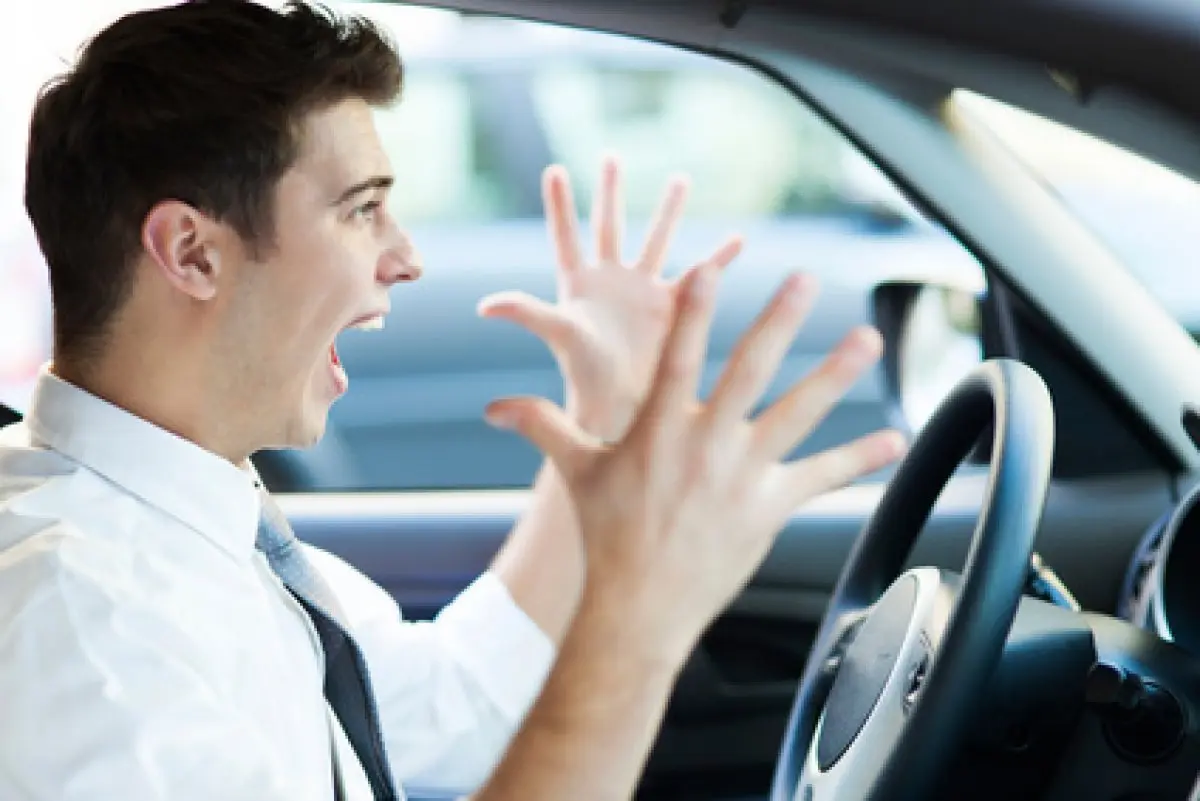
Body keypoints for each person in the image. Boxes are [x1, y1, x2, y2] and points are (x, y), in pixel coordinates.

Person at [0, 1, 905, 800]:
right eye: (361, 209)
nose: (406, 257)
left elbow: (451, 706)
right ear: (193, 253)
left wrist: (600, 411)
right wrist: (640, 619)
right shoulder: (83, 633)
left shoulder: (187, 522)